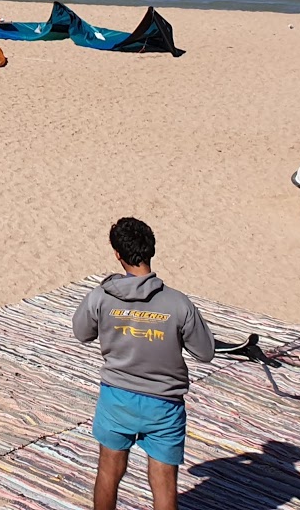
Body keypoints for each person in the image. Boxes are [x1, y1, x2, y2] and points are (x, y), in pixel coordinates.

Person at [73, 217, 215, 510]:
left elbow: (81, 333)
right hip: (164, 406)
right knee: (164, 484)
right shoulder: (178, 304)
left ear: (117, 254)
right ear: (151, 250)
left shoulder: (100, 297)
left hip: (117, 399)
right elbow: (205, 352)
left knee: (108, 472)